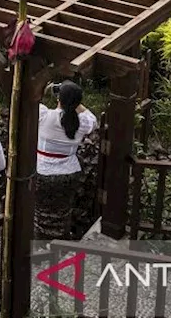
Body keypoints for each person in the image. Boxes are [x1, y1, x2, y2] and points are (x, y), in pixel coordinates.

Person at [34, 80, 98, 239]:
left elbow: (31, 102)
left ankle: (39, 242)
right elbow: (93, 119)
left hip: (42, 171)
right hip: (69, 173)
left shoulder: (44, 115)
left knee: (40, 211)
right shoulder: (82, 122)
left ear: (58, 99)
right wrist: (75, 103)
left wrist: (45, 89)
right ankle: (60, 240)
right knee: (62, 211)